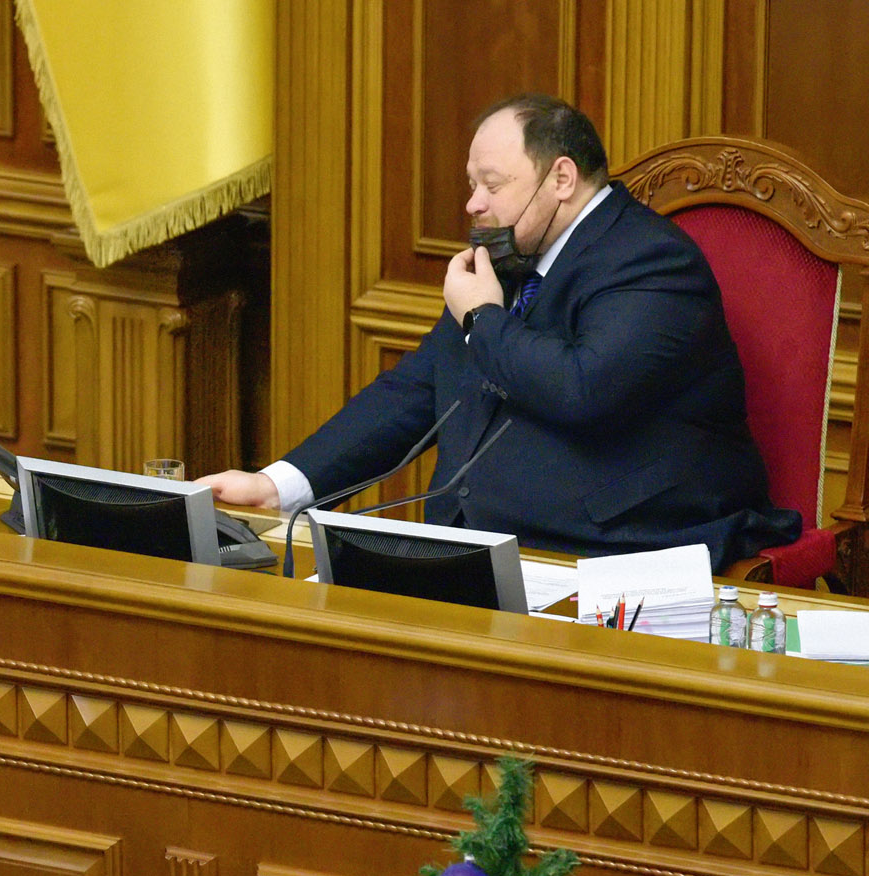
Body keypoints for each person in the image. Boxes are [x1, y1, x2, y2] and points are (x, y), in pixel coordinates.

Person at [198, 93, 799, 569]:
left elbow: (583, 389)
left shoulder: (651, 261)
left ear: (561, 178)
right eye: (472, 185)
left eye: (492, 184)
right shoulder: (509, 258)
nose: (473, 204)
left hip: (607, 554)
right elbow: (415, 392)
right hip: (477, 548)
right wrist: (278, 486)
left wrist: (483, 319)